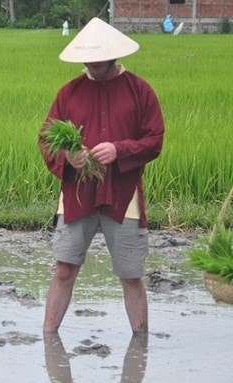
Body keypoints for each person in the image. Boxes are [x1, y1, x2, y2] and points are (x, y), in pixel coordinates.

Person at [39, 18, 165, 334]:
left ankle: (140, 343)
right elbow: (46, 138)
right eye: (88, 58)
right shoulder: (69, 92)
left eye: (99, 58)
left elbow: (154, 140)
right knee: (65, 269)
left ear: (113, 54)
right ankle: (48, 339)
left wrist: (119, 150)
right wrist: (67, 156)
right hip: (77, 196)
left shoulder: (140, 90)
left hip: (123, 196)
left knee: (131, 274)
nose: (93, 64)